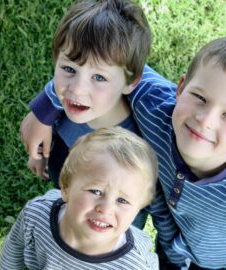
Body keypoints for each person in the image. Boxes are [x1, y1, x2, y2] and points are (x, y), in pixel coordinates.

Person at [21, 36, 226, 269]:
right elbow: (107, 63)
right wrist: (44, 110)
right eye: (199, 97)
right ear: (180, 88)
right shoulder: (154, 102)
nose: (205, 119)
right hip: (169, 242)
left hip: (221, 263)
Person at [21, 0, 152, 229]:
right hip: (64, 169)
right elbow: (40, 130)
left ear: (131, 82)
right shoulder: (65, 104)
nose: (77, 89)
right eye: (69, 69)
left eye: (99, 77)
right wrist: (40, 155)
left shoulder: (138, 142)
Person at [0, 127, 159, 270]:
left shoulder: (136, 265)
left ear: (139, 207)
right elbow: (14, 250)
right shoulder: (36, 215)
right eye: (96, 191)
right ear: (66, 187)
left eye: (122, 200)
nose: (106, 208)